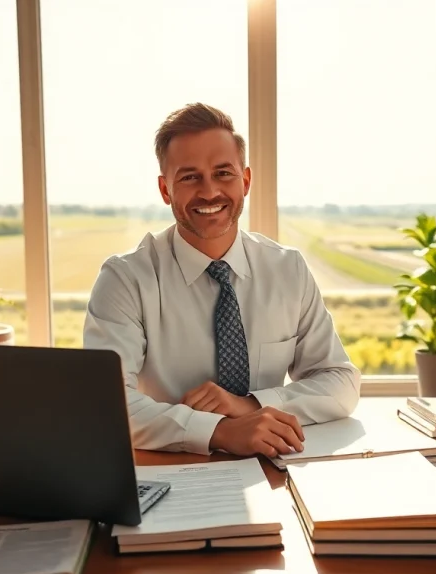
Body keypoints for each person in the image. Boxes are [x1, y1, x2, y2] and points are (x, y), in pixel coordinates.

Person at [83, 102, 360, 458]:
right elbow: (108, 405)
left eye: (223, 173)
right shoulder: (125, 279)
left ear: (245, 181)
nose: (210, 191)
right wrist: (221, 432)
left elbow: (340, 381)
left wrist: (249, 406)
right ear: (165, 190)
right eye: (189, 177)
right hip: (168, 468)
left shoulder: (287, 269)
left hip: (274, 468)